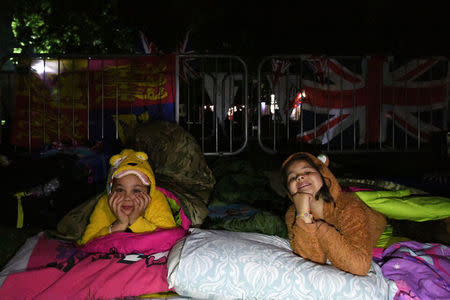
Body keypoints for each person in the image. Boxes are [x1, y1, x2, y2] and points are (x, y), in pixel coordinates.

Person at [281, 152, 386, 276]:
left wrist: (320, 228)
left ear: (323, 175)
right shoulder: (293, 214)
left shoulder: (349, 207)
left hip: (377, 227)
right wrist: (303, 216)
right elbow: (312, 261)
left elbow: (360, 267)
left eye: (307, 172)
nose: (299, 177)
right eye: (292, 178)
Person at [78, 149, 177, 245]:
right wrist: (118, 226)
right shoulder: (105, 203)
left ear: (148, 192)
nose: (127, 198)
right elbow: (87, 243)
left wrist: (135, 221)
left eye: (136, 191)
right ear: (111, 191)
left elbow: (169, 237)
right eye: (120, 190)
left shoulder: (155, 199)